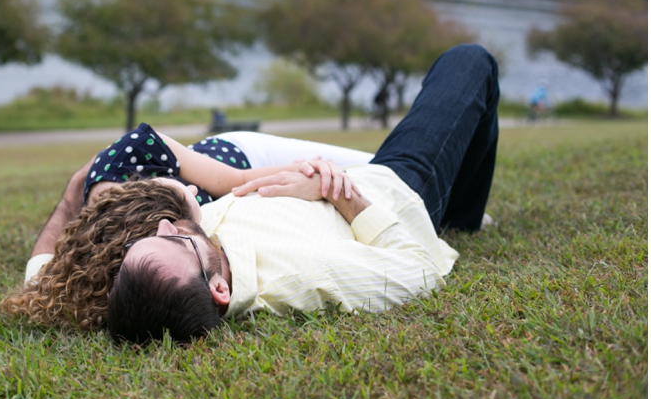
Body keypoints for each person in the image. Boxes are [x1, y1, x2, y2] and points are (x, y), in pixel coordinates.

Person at [107, 44, 500, 344]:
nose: (162, 224)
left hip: (342, 171)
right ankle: (459, 216)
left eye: (149, 237)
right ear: (219, 289)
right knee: (469, 63)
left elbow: (46, 275)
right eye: (173, 240)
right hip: (398, 189)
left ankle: (463, 212)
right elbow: (420, 270)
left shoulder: (201, 253)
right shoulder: (315, 272)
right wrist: (337, 193)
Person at [3, 124, 374, 330]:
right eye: (193, 200)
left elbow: (239, 180)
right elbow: (41, 274)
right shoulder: (140, 265)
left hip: (241, 156)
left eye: (185, 191)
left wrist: (313, 174)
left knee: (368, 167)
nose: (194, 191)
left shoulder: (136, 150)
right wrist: (72, 191)